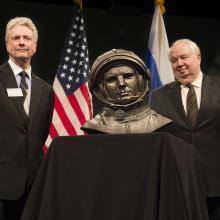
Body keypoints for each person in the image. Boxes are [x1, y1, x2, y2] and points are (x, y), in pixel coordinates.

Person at [150, 38, 220, 220]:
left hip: (216, 185)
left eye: (184, 57)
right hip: (178, 184)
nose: (179, 64)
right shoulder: (158, 96)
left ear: (198, 58)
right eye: (174, 60)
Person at [0, 17, 54, 220]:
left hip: (33, 184)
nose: (22, 42)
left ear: (35, 46)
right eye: (16, 38)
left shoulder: (46, 89)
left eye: (27, 38)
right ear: (7, 45)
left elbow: (40, 133)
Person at [81, 49, 171, 134]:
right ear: (101, 88)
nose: (121, 84)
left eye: (128, 76)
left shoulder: (160, 122)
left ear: (141, 81)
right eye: (112, 79)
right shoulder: (95, 125)